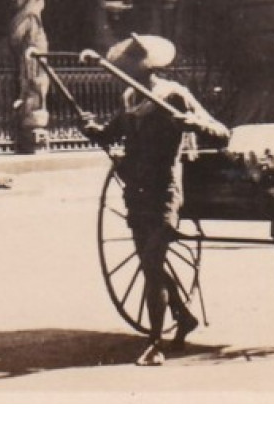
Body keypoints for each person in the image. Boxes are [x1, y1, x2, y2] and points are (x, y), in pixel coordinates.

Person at [80, 33, 229, 366]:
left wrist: (193, 123)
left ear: (146, 69)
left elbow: (222, 133)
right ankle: (184, 317)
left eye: (129, 69)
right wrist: (90, 128)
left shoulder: (174, 95)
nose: (124, 74)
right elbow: (110, 134)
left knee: (152, 263)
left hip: (165, 192)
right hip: (136, 191)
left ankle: (155, 343)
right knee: (152, 266)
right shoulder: (131, 99)